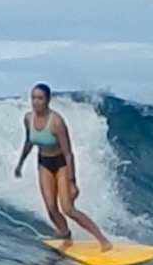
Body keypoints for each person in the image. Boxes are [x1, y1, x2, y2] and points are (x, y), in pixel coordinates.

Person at [11, 83, 112, 251]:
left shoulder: (56, 122)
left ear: (48, 100)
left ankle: (103, 240)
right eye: (33, 98)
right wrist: (20, 163)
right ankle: (65, 234)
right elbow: (29, 142)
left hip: (61, 164)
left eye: (40, 98)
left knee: (68, 209)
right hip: (43, 163)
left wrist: (72, 181)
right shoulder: (28, 118)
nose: (36, 102)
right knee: (51, 208)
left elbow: (68, 154)